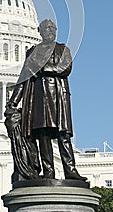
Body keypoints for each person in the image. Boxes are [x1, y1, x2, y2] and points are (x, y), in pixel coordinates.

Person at [6, 19, 86, 181]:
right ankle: (48, 171)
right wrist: (13, 102)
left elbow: (65, 68)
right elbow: (23, 78)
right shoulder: (32, 52)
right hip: (38, 98)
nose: (50, 31)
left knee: (63, 135)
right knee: (43, 136)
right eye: (47, 28)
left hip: (58, 97)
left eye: (53, 28)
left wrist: (41, 68)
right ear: (40, 31)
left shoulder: (63, 49)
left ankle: (70, 170)